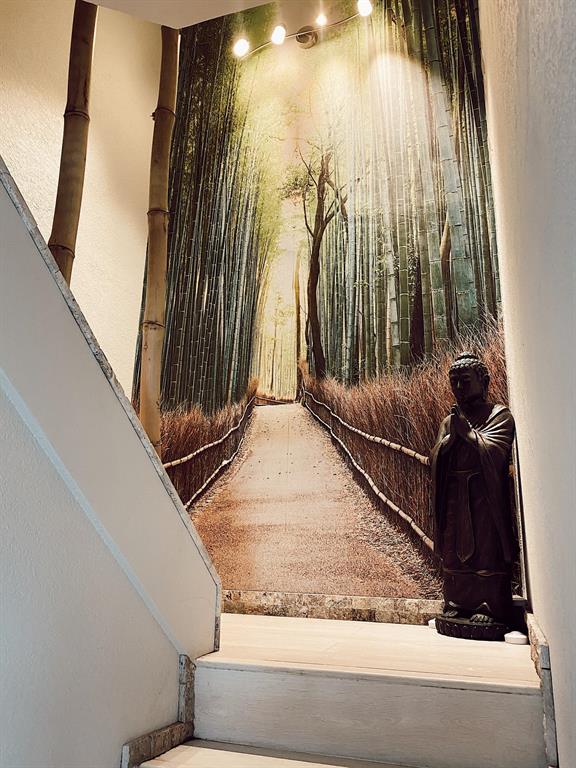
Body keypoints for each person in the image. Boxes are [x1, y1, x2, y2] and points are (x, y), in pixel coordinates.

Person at [430, 352, 517, 625]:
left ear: (484, 381)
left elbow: (497, 450)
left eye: (465, 381)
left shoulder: (498, 415)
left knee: (485, 548)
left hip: (483, 495)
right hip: (454, 494)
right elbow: (434, 457)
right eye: (454, 382)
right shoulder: (449, 420)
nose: (458, 387)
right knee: (454, 547)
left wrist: (468, 435)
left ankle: (489, 604)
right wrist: (448, 442)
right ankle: (456, 601)